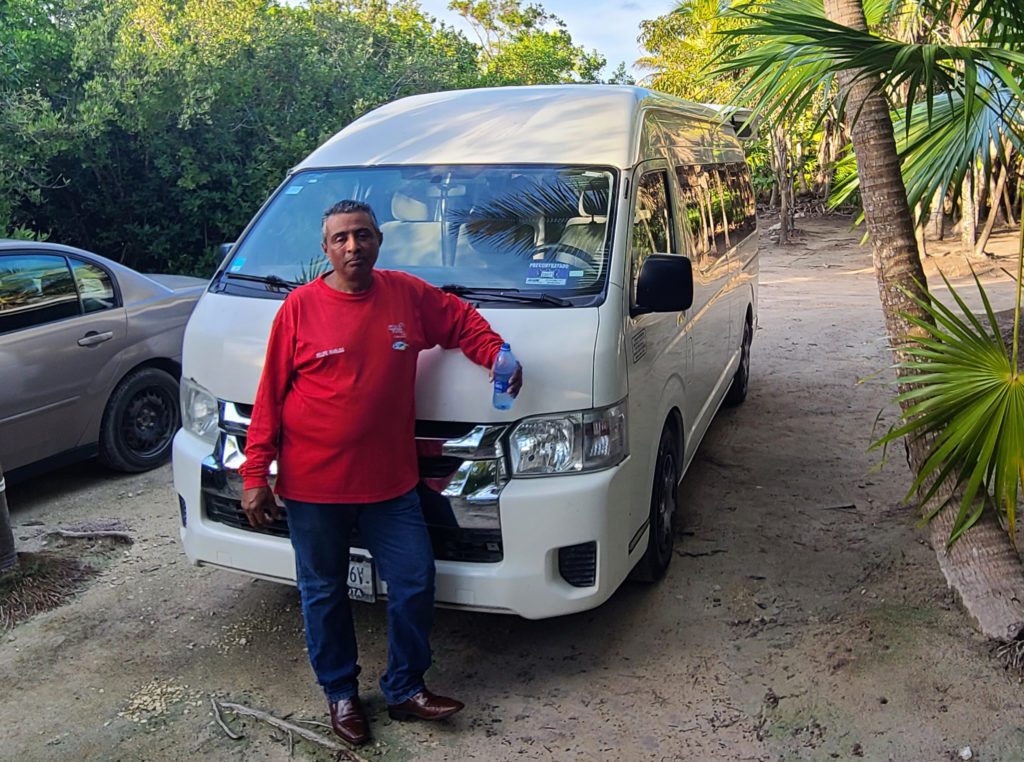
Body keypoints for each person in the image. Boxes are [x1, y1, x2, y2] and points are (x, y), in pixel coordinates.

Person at [239, 199, 523, 746]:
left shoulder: (406, 295)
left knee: (415, 582)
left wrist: (496, 355)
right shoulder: (298, 310)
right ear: (325, 249)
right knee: (322, 592)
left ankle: (404, 688)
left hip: (391, 485)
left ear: (378, 241)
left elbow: (460, 319)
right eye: (341, 238)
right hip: (313, 487)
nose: (353, 246)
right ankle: (341, 695)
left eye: (363, 235)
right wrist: (256, 474)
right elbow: (269, 397)